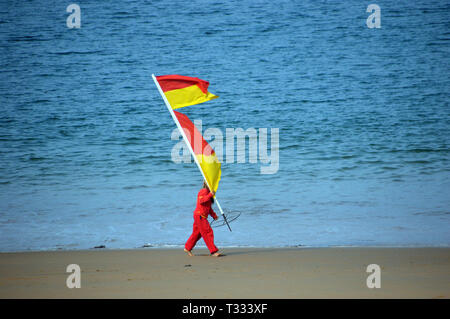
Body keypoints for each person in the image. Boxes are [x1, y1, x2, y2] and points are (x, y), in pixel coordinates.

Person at [184, 181, 221, 257]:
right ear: (205, 183)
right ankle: (213, 251)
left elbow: (208, 208)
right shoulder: (203, 191)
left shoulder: (208, 192)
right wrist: (210, 194)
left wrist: (214, 215)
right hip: (200, 216)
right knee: (208, 232)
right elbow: (201, 201)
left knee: (197, 234)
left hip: (200, 216)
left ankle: (188, 247)